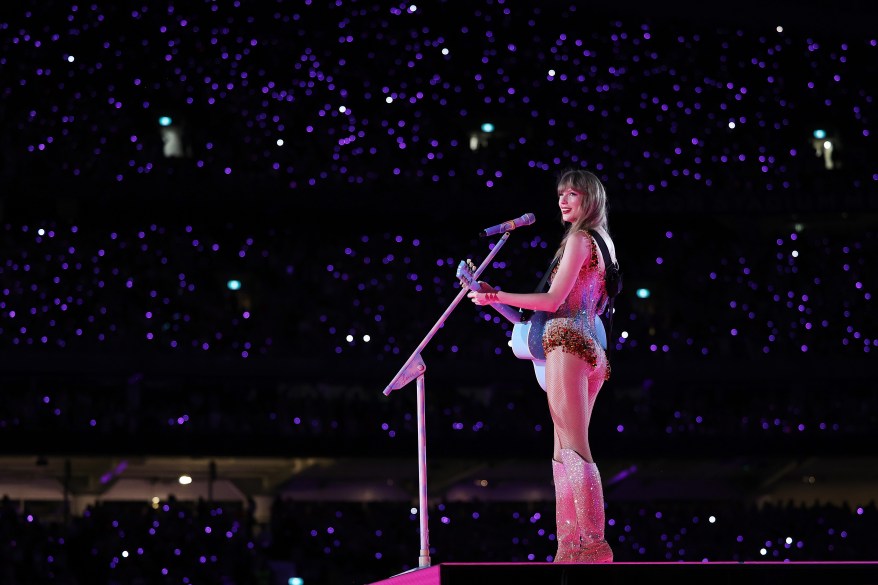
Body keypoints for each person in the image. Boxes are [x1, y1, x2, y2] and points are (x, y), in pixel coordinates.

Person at [468, 169, 616, 563]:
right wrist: (494, 300)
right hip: (586, 347)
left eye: (572, 194)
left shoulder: (580, 239)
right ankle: (569, 546)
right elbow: (537, 316)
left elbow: (552, 303)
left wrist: (496, 292)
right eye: (560, 195)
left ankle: (593, 547)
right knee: (561, 452)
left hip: (567, 342)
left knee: (574, 449)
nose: (563, 201)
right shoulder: (603, 243)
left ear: (591, 198)